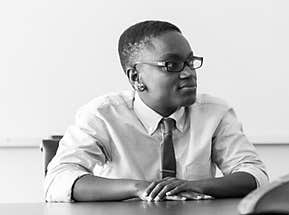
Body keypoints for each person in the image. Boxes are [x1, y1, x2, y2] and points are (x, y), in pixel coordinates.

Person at [44, 20, 269, 202]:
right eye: (172, 65)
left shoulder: (214, 113)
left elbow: (255, 175)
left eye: (190, 62)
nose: (189, 73)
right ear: (136, 78)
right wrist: (139, 188)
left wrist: (191, 186)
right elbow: (58, 180)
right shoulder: (103, 115)